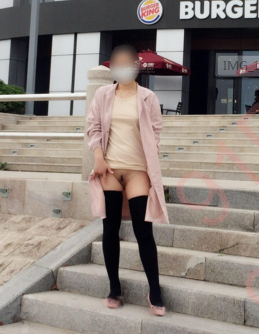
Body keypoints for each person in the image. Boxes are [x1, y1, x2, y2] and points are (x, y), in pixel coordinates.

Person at [86, 44, 168, 317]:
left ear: (137, 66)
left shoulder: (148, 97)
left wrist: (149, 161)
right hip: (110, 169)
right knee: (110, 229)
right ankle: (114, 288)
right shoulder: (103, 94)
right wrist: (98, 157)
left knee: (143, 231)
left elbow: (155, 132)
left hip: (137, 170)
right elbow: (93, 127)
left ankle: (154, 291)